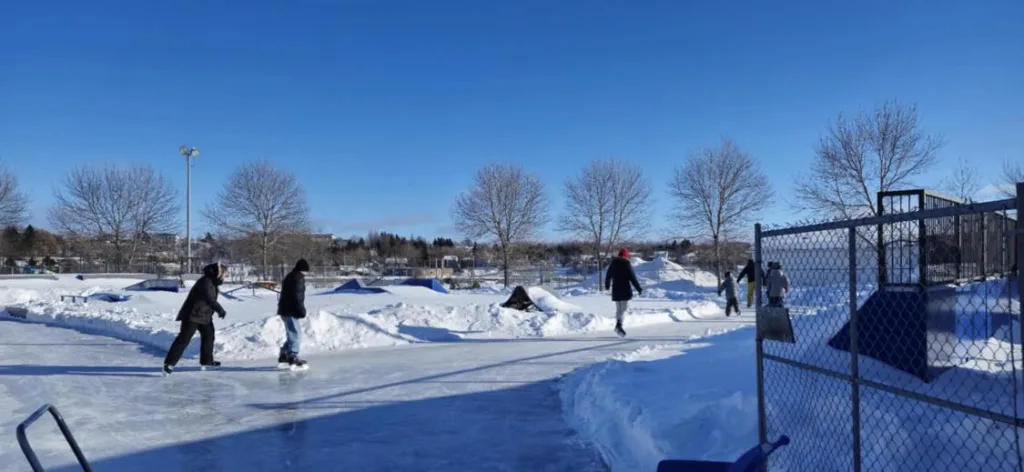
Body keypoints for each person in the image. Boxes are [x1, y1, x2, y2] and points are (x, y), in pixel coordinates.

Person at [163, 263, 227, 375]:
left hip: (204, 315)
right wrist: (220, 310)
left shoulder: (212, 281)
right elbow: (209, 299)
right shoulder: (206, 281)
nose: (224, 277)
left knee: (209, 335)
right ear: (218, 273)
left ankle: (207, 361)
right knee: (184, 339)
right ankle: (169, 364)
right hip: (192, 315)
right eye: (224, 274)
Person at [277, 258, 309, 369]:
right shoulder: (298, 278)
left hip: (284, 309)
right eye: (306, 271)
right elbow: (298, 296)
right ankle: (293, 356)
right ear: (303, 270)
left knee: (291, 334)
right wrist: (301, 310)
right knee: (296, 334)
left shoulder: (290, 275)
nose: (306, 274)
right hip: (290, 310)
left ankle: (284, 354)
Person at [605, 248, 642, 337]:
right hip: (625, 289)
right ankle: (619, 325)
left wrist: (607, 285)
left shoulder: (613, 264)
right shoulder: (626, 264)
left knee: (619, 309)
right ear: (626, 256)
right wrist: (639, 288)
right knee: (624, 309)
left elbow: (608, 276)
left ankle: (618, 324)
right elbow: (633, 278)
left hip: (616, 290)